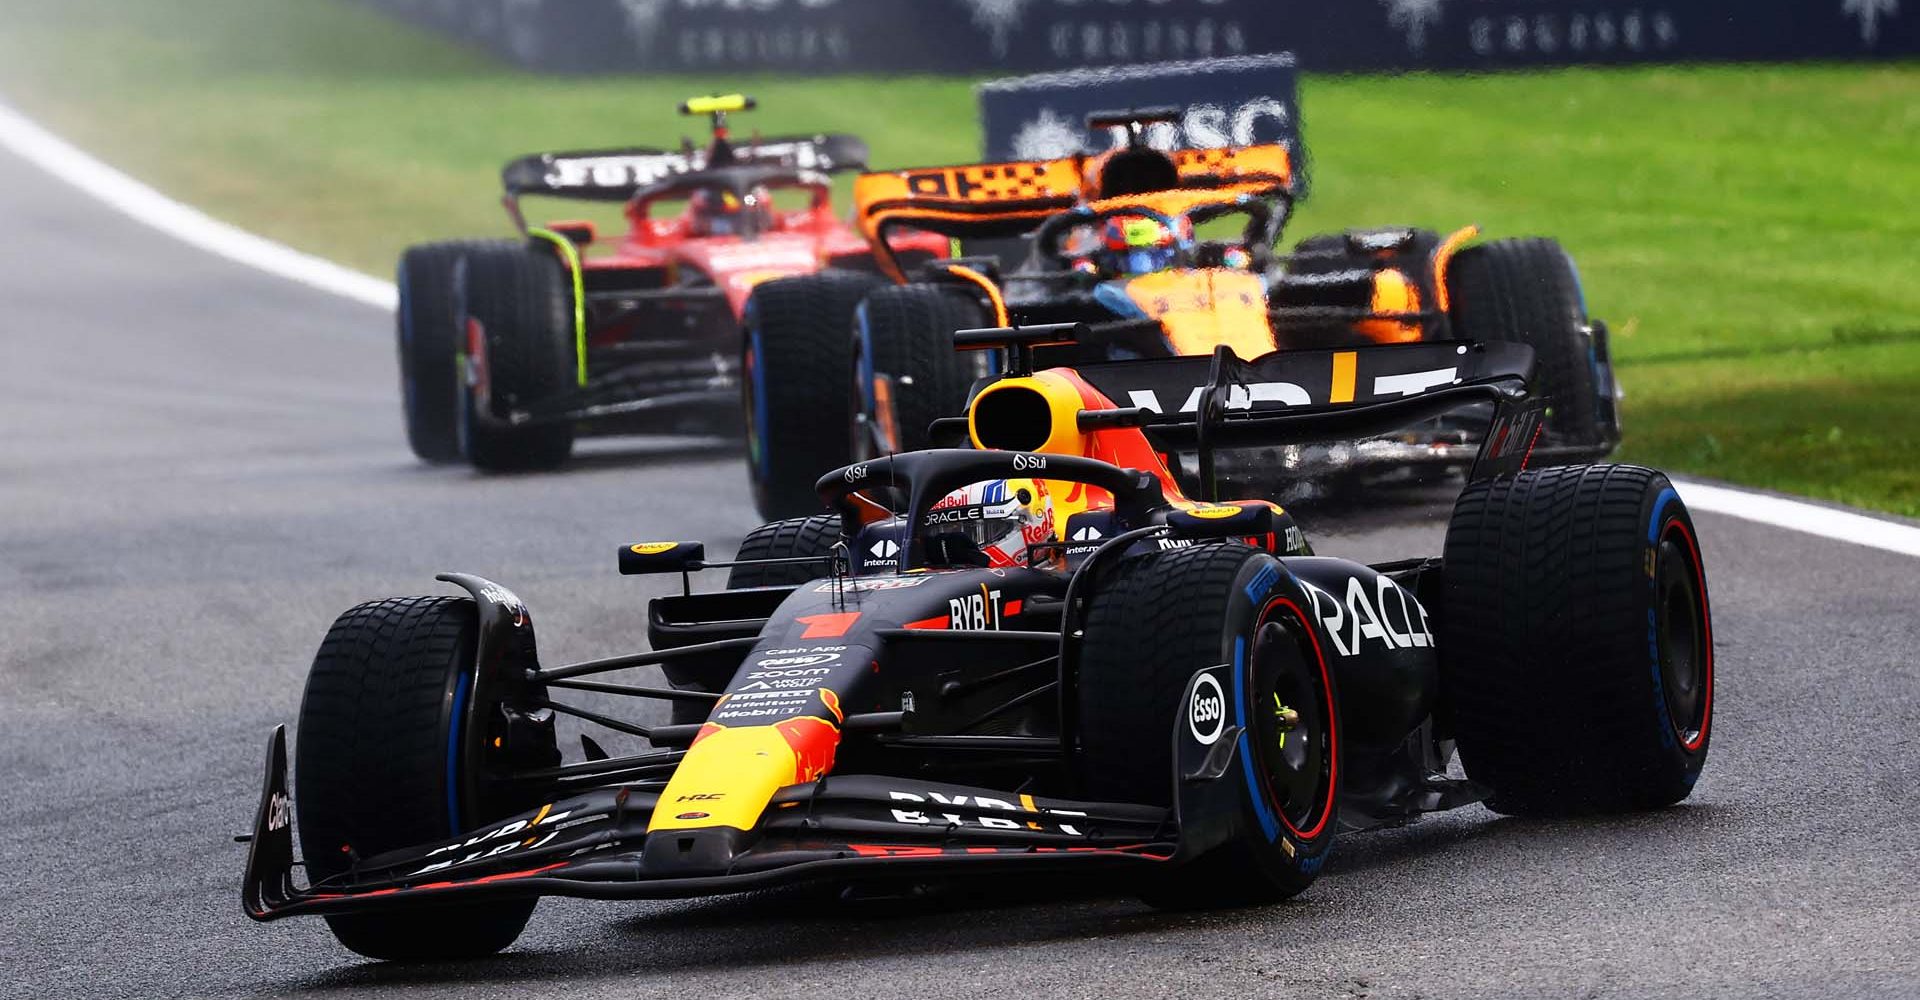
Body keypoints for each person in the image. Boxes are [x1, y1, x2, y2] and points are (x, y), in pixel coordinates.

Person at [922, 479, 1061, 570]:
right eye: (942, 532)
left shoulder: (1067, 581)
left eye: (977, 533)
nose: (958, 550)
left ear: (1029, 523)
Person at [686, 184, 774, 237]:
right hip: (716, 234)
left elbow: (759, 203)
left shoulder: (749, 193)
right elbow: (695, 224)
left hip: (746, 230)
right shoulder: (705, 193)